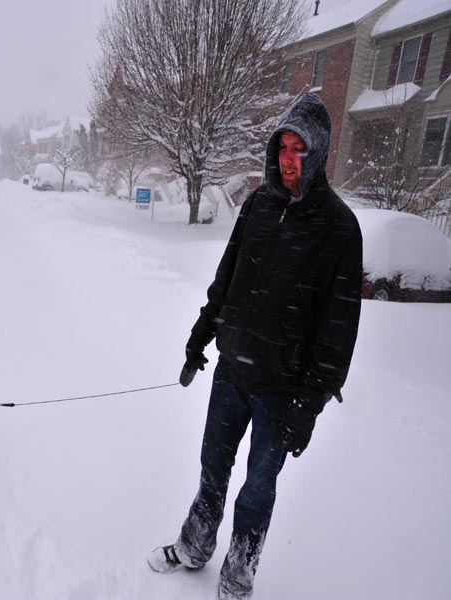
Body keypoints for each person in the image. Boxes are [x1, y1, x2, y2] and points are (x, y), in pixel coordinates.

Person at [147, 93, 362, 599]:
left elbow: (338, 334)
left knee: (257, 490)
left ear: (320, 152)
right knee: (212, 469)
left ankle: (237, 580)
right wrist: (200, 337)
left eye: (300, 150)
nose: (289, 159)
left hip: (280, 391)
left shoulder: (339, 228)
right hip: (231, 372)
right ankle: (195, 546)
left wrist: (306, 408)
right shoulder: (259, 206)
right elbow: (228, 280)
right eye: (283, 147)